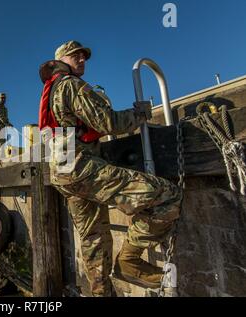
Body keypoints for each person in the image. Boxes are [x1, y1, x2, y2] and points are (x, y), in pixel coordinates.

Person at [38, 40, 182, 297]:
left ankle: (101, 293)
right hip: (82, 168)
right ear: (62, 60)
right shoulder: (72, 85)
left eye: (84, 56)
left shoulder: (52, 91)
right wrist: (140, 114)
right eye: (76, 56)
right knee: (168, 195)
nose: (82, 60)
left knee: (93, 238)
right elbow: (108, 122)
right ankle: (129, 261)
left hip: (63, 173)